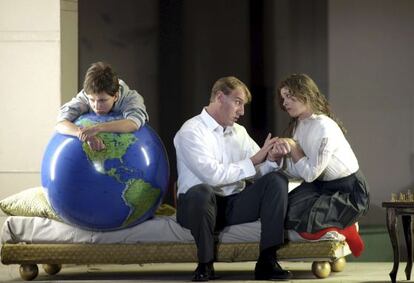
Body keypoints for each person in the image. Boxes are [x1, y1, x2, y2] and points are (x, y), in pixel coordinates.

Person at [174, 76, 292, 281]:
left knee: (277, 179)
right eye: (237, 102)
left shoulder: (240, 132)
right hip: (196, 207)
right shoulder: (191, 131)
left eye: (243, 105)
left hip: (231, 205)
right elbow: (212, 176)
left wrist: (271, 159)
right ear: (220, 97)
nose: (242, 111)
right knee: (203, 191)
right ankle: (205, 264)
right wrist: (255, 159)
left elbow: (257, 170)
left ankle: (267, 261)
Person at [271, 73, 370, 257]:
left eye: (289, 97)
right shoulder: (299, 125)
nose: (284, 103)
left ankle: (347, 231)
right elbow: (299, 171)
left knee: (309, 220)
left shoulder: (325, 127)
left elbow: (309, 174)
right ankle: (340, 224)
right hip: (320, 186)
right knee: (284, 210)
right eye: (283, 98)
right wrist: (278, 159)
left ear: (305, 95)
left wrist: (293, 148)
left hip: (348, 191)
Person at [56, 61, 149, 151]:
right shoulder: (85, 96)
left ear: (115, 96)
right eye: (92, 100)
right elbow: (60, 123)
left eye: (102, 100)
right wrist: (83, 134)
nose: (96, 106)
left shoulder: (131, 99)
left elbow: (133, 123)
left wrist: (97, 128)